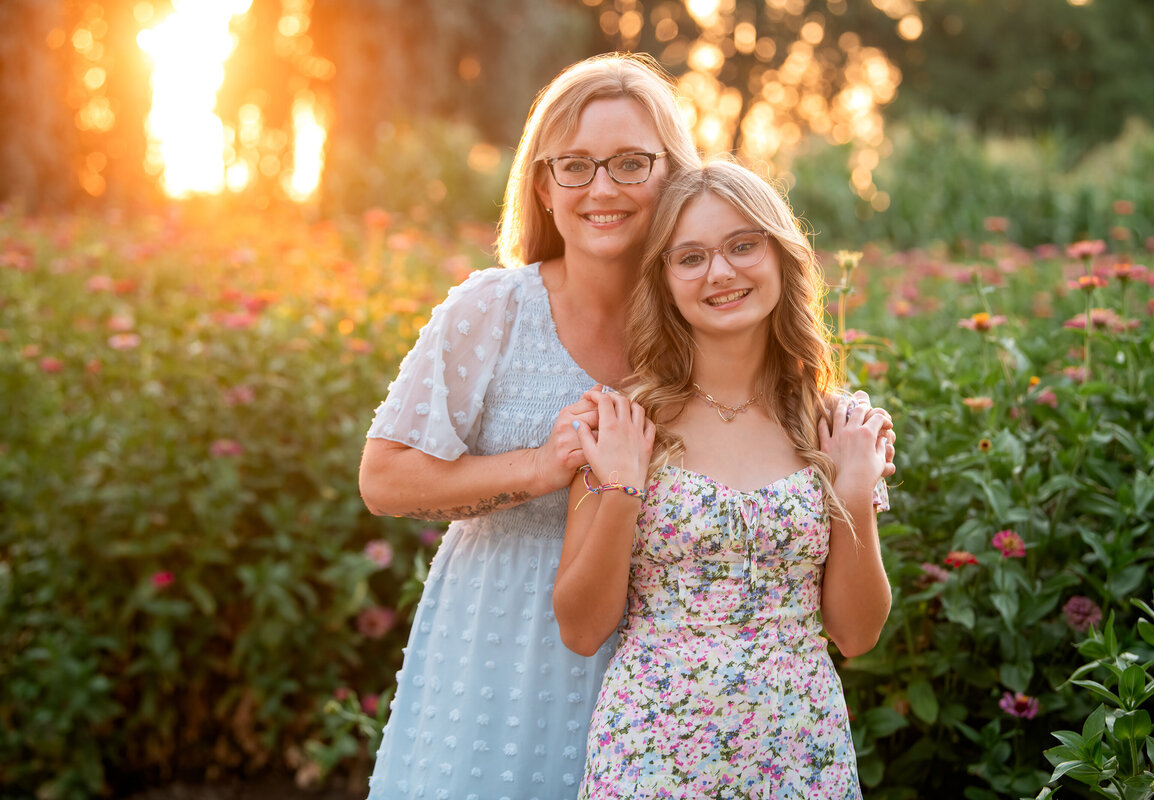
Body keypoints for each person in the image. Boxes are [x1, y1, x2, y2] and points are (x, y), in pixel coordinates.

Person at [359, 52, 894, 800]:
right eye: (574, 166)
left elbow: (854, 620)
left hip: (659, 680)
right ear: (543, 185)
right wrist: (541, 467)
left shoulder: (706, 340)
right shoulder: (493, 310)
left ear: (672, 175)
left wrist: (854, 483)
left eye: (630, 163)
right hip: (505, 635)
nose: (601, 187)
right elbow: (382, 478)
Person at [554, 159, 892, 798]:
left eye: (743, 245)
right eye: (691, 257)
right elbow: (579, 629)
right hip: (650, 758)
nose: (721, 272)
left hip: (801, 754)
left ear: (780, 256)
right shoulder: (623, 421)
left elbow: (856, 633)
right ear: (664, 279)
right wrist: (624, 488)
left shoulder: (834, 425)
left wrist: (853, 494)